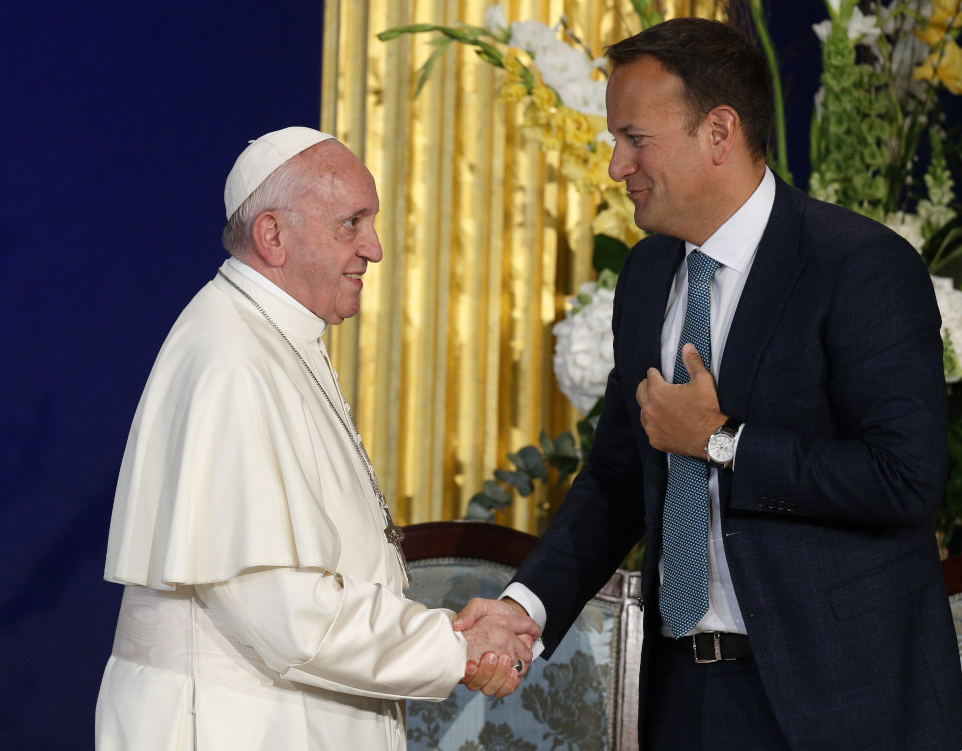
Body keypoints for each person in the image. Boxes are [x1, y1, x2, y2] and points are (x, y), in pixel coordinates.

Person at [456, 18, 962, 750]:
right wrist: (523, 604)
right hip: (683, 698)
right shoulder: (646, 275)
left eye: (635, 139)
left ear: (719, 132)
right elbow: (617, 478)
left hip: (843, 704)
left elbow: (903, 478)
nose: (616, 166)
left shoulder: (859, 265)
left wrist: (722, 442)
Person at [95, 127, 539, 751]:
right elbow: (285, 613)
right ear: (272, 235)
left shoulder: (272, 337)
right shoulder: (232, 359)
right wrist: (454, 645)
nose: (375, 249)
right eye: (351, 223)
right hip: (233, 726)